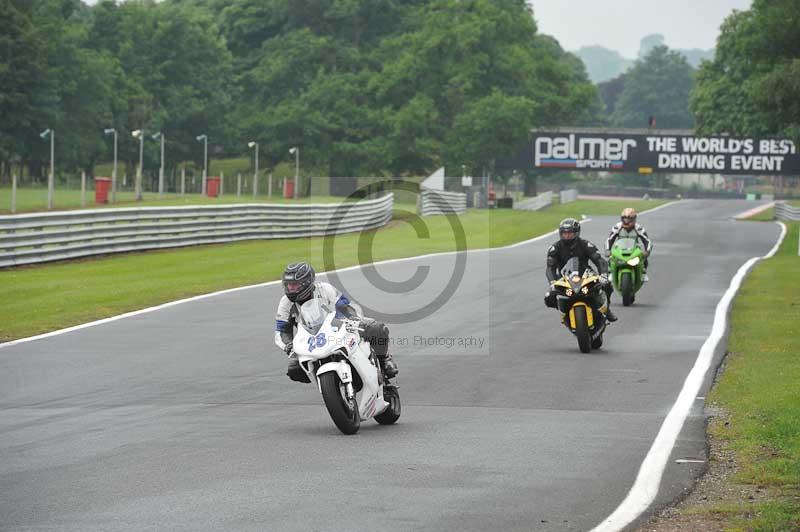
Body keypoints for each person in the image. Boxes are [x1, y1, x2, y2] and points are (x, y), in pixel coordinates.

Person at [274, 262, 398, 382]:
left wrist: (353, 320)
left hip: (336, 330)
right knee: (294, 369)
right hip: (310, 340)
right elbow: (282, 330)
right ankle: (327, 383)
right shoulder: (285, 302)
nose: (290, 289)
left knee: (376, 328)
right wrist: (289, 346)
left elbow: (345, 307)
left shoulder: (325, 289)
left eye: (294, 285)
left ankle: (384, 360)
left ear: (306, 282)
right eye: (288, 285)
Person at [543, 218, 617, 322]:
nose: (567, 236)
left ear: (577, 233)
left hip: (586, 275)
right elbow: (550, 268)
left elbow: (600, 260)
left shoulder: (585, 244)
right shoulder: (555, 248)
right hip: (565, 277)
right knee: (549, 297)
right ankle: (564, 312)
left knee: (607, 285)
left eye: (570, 233)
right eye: (564, 233)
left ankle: (607, 310)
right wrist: (552, 282)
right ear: (560, 233)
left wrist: (603, 275)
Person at [605, 208, 653, 282]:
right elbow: (609, 239)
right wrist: (608, 250)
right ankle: (610, 272)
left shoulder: (638, 228)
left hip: (634, 249)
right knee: (611, 258)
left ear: (634, 219)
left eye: (629, 219)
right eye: (624, 219)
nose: (626, 221)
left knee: (643, 258)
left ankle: (643, 272)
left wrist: (647, 251)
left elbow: (647, 241)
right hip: (620, 249)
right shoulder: (617, 227)